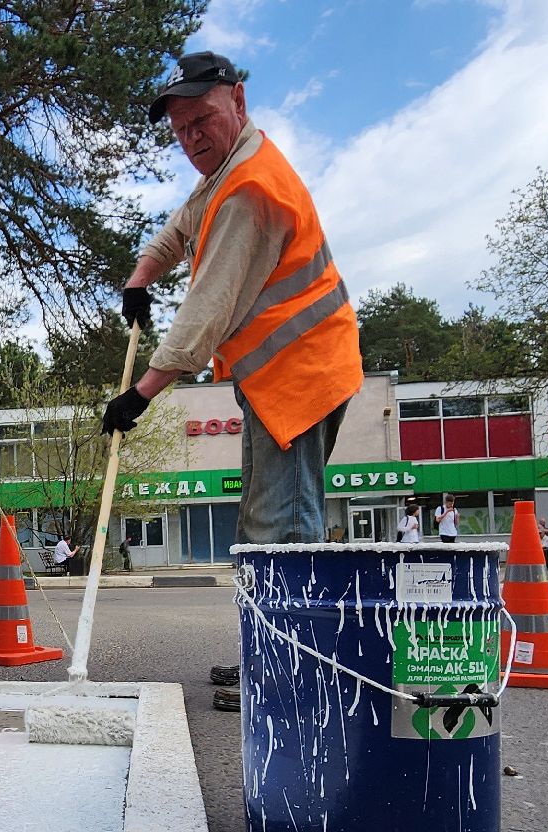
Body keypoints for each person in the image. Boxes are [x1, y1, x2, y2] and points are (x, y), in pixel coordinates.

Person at [97, 52, 363, 710]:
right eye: (181, 129)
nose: (193, 139)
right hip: (279, 376)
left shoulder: (249, 187)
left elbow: (205, 311)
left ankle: (290, 675)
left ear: (238, 102)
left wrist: (141, 394)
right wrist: (139, 279)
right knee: (261, 524)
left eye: (203, 121)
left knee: (283, 529)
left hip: (303, 374)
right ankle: (267, 656)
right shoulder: (223, 172)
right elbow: (180, 227)